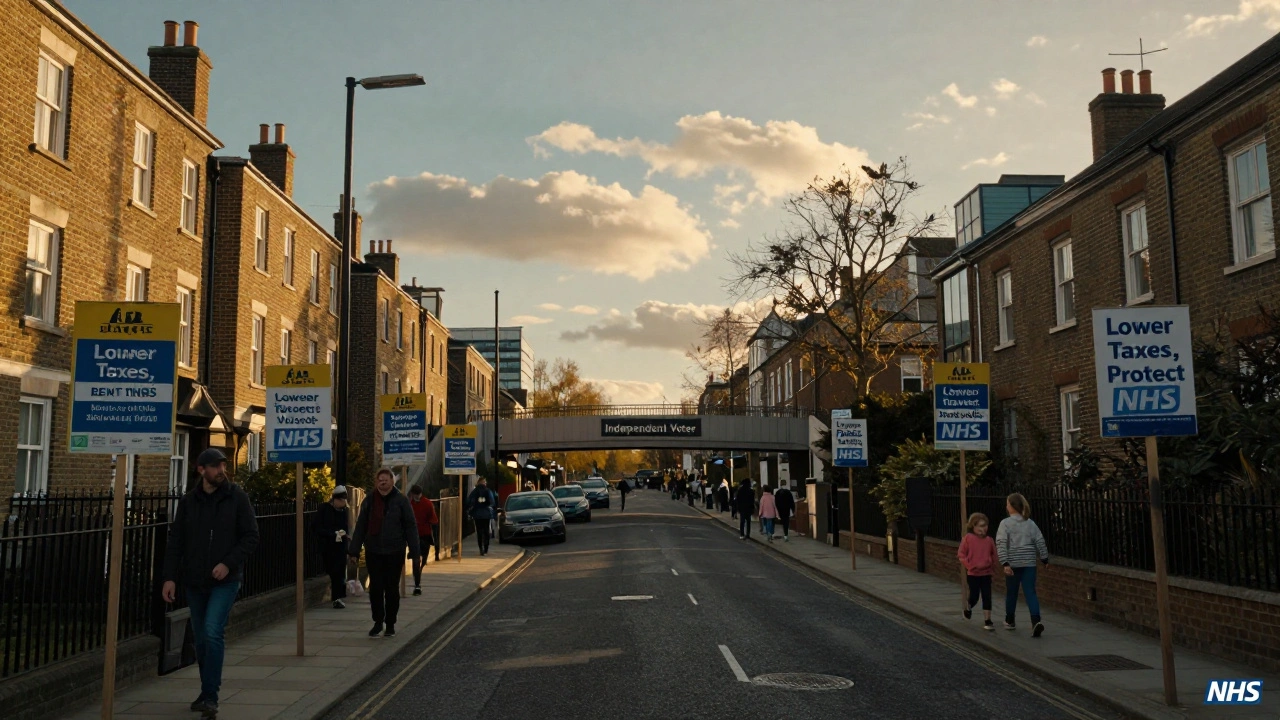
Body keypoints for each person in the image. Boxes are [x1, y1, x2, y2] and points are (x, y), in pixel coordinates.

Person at [161, 448, 259, 718]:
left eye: (222, 466)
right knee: (202, 639)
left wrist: (227, 563)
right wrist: (169, 577)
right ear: (201, 469)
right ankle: (206, 692)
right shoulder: (189, 502)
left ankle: (211, 696)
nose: (221, 471)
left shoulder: (236, 497)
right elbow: (176, 542)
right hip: (195, 580)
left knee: (213, 631)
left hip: (225, 580)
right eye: (215, 467)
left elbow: (251, 536)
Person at [349, 468, 420, 639]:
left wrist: (415, 551)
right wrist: (354, 550)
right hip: (374, 550)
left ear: (392, 481)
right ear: (376, 482)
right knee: (375, 588)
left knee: (391, 588)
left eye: (386, 479)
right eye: (380, 479)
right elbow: (361, 527)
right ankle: (378, 622)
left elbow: (410, 526)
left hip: (395, 551)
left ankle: (390, 623)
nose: (382, 482)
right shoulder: (370, 501)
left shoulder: (401, 501)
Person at [996, 493, 1050, 636]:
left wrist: (1005, 563)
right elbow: (1040, 541)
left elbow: (1001, 544)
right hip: (1029, 563)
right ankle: (1036, 621)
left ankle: (1010, 620)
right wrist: (1044, 559)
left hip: (1012, 563)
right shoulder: (1030, 523)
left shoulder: (1005, 523)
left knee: (1012, 593)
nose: (1006, 506)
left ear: (1012, 506)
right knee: (1030, 592)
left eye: (1007, 503)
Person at [958, 512, 998, 630]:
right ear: (973, 527)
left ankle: (988, 620)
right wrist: (969, 565)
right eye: (980, 526)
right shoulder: (968, 539)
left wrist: (993, 567)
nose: (983, 528)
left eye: (985, 525)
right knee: (974, 595)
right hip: (973, 573)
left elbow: (994, 555)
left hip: (986, 573)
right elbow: (961, 554)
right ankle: (969, 606)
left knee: (987, 596)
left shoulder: (989, 540)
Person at [314, 485, 350, 608]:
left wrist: (345, 534)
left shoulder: (343, 511)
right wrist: (333, 533)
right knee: (333, 571)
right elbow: (318, 527)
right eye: (341, 501)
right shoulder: (324, 509)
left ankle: (338, 597)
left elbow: (345, 527)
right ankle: (337, 597)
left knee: (339, 572)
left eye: (344, 501)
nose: (343, 503)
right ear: (335, 499)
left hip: (340, 546)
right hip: (328, 546)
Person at [408, 486, 439, 595]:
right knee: (416, 560)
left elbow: (434, 520)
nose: (416, 497)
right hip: (413, 536)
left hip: (425, 535)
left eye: (418, 495)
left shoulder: (427, 503)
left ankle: (418, 573)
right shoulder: (408, 504)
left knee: (423, 560)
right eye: (415, 495)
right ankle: (417, 585)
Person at [466, 477, 498, 555]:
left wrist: (470, 509)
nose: (485, 483)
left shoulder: (474, 491)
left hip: (477, 514)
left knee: (479, 532)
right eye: (485, 482)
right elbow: (492, 502)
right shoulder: (488, 491)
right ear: (483, 483)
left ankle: (481, 548)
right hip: (486, 514)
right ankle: (486, 548)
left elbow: (469, 501)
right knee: (486, 531)